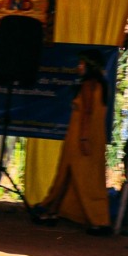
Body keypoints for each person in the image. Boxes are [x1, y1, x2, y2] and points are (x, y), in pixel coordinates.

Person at [37, 54, 113, 234]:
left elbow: (86, 112)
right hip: (93, 137)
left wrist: (83, 138)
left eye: (81, 63)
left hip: (81, 137)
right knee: (69, 175)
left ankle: (99, 222)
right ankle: (52, 212)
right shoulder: (101, 85)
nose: (79, 66)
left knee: (85, 180)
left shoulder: (88, 85)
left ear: (89, 66)